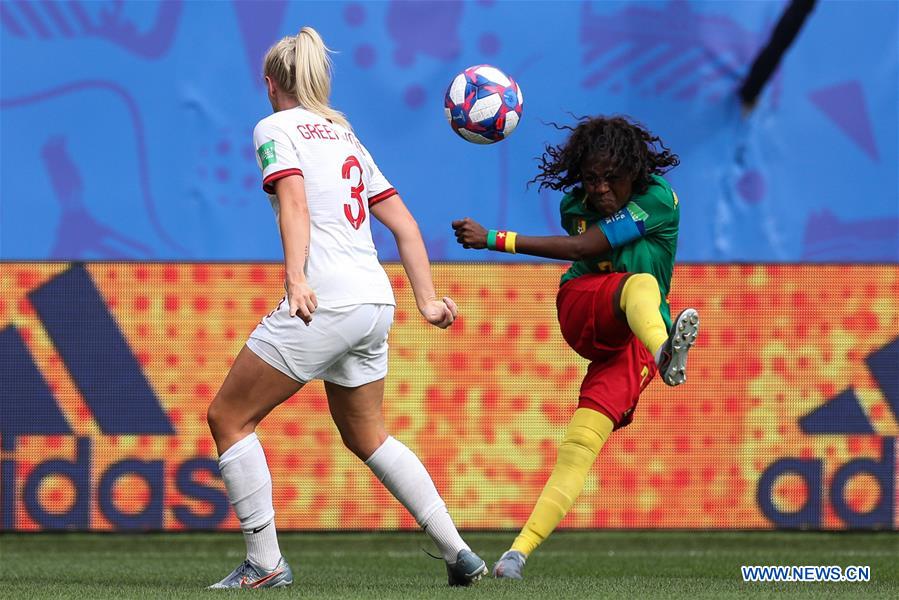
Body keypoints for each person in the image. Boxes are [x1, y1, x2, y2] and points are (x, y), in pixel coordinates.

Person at [206, 27, 487, 589]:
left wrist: (296, 279)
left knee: (229, 418)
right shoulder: (345, 137)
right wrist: (427, 300)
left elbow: (292, 201)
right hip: (374, 301)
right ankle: (459, 553)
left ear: (270, 85)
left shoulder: (274, 127)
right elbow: (405, 224)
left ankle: (265, 563)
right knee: (368, 436)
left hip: (326, 298)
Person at [452, 115, 699, 580]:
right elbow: (583, 249)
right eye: (592, 178)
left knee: (582, 443)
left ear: (636, 172)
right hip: (585, 308)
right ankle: (669, 352)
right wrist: (491, 238)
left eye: (612, 178)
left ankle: (516, 554)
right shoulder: (577, 206)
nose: (601, 189)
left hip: (634, 342)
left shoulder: (658, 200)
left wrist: (492, 237)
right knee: (639, 282)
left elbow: (586, 242)